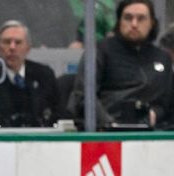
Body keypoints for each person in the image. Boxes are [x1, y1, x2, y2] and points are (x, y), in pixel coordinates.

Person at [68, 0, 174, 129]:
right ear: (119, 22)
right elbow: (83, 96)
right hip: (106, 134)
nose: (134, 24)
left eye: (141, 19)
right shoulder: (100, 51)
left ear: (152, 23)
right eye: (128, 18)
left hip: (152, 135)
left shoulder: (163, 58)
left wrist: (155, 114)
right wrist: (111, 124)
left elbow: (167, 104)